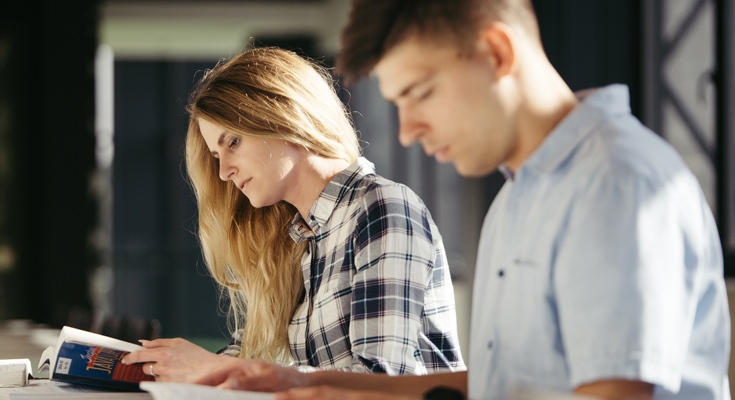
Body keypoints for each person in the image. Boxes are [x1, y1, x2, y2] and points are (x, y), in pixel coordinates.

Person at [194, 1, 732, 399]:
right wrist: (291, 383)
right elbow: (500, 389)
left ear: (497, 53)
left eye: (420, 93)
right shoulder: (520, 196)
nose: (407, 132)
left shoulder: (613, 183)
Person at [121, 46, 463, 382]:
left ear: (284, 118)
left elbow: (384, 380)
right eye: (216, 155)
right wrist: (170, 372)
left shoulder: (379, 207)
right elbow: (248, 361)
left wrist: (217, 371)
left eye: (233, 142)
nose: (224, 172)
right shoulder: (295, 238)